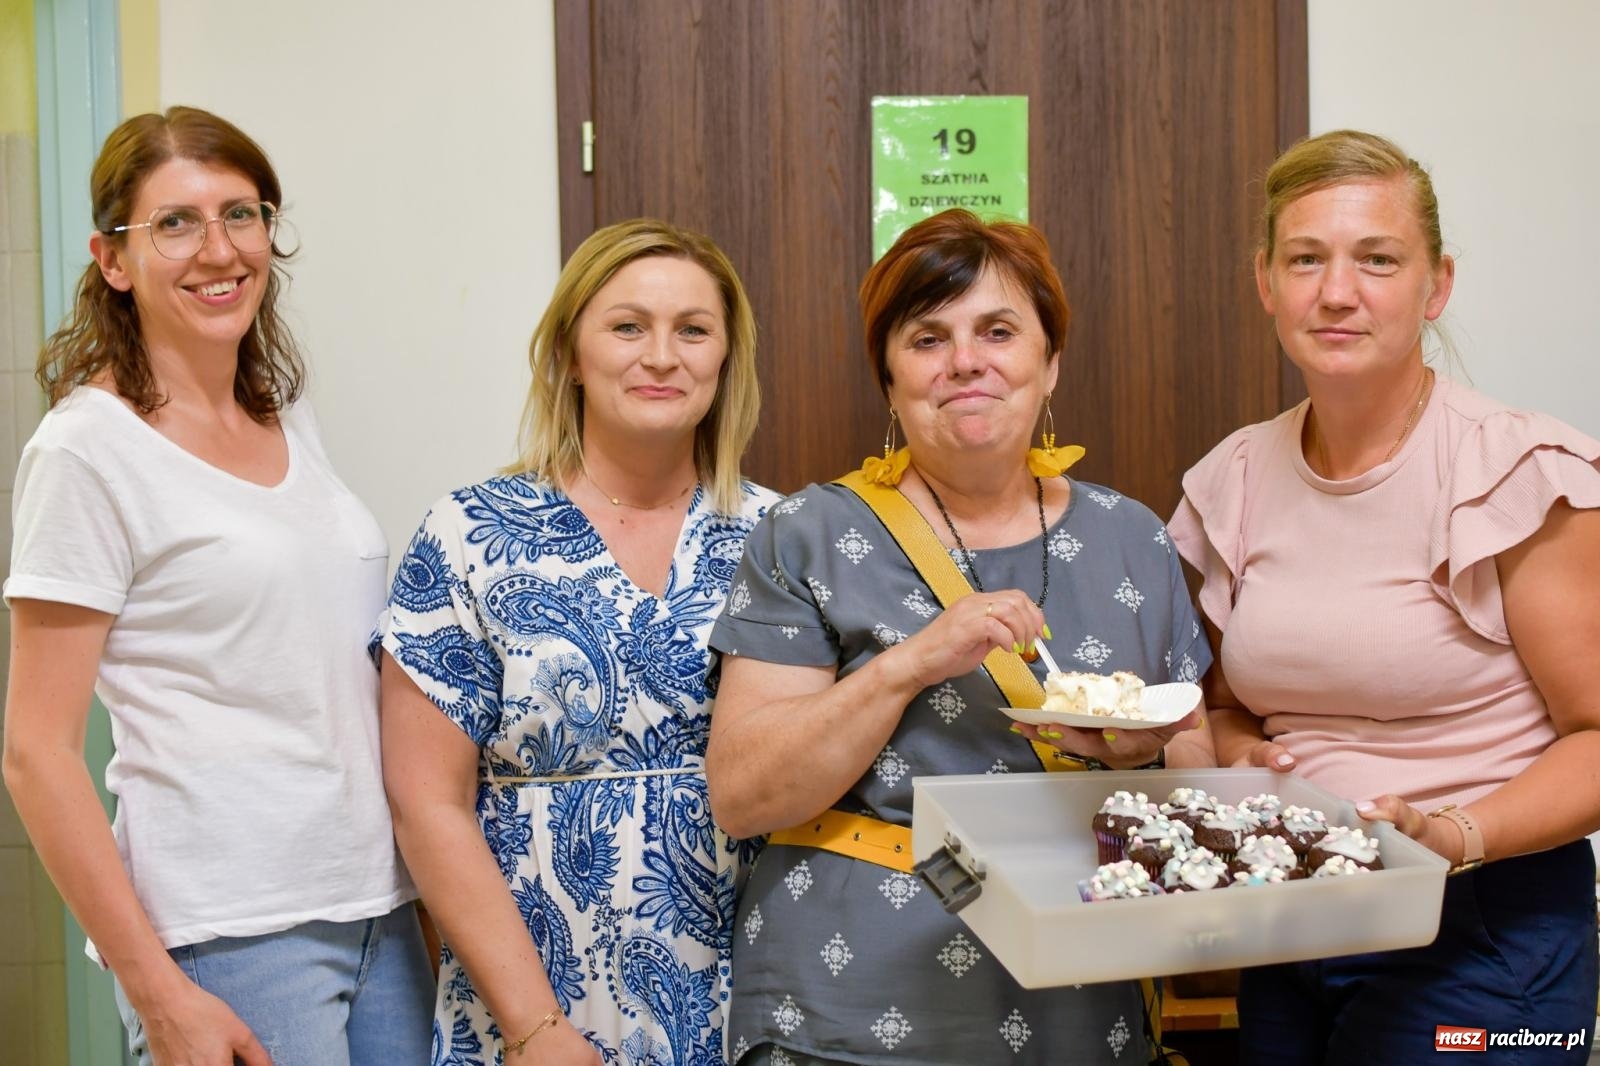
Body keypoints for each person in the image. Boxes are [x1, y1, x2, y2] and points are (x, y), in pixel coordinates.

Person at [704, 208, 1213, 1065]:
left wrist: (1140, 759)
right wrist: (911, 664)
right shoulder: (807, 533)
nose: (966, 361)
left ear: (1050, 363)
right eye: (928, 338)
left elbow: (1193, 756)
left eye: (1000, 330)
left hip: (1082, 1000)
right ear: (891, 381)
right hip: (847, 1012)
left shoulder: (1134, 536)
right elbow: (744, 795)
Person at [2, 107, 432, 1066]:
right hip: (230, 934)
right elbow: (35, 752)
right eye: (176, 223)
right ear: (113, 259)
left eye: (241, 214)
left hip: (378, 907)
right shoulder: (87, 450)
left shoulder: (287, 418)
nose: (219, 249)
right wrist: (154, 988)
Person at [1169, 129, 1600, 1063]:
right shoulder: (1231, 480)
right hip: (1293, 919)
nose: (1336, 292)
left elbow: (1598, 739)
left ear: (1436, 284)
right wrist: (1243, 754)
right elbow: (1232, 704)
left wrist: (1448, 836)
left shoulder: (1518, 472)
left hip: (1484, 931)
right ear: (1265, 283)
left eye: (1378, 260)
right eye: (1306, 259)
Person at [378, 218, 778, 1065]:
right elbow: (427, 804)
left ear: (724, 358)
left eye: (693, 330)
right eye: (628, 326)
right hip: (534, 999)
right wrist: (534, 1029)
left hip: (758, 993)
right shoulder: (469, 536)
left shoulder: (782, 538)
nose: (662, 356)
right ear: (568, 354)